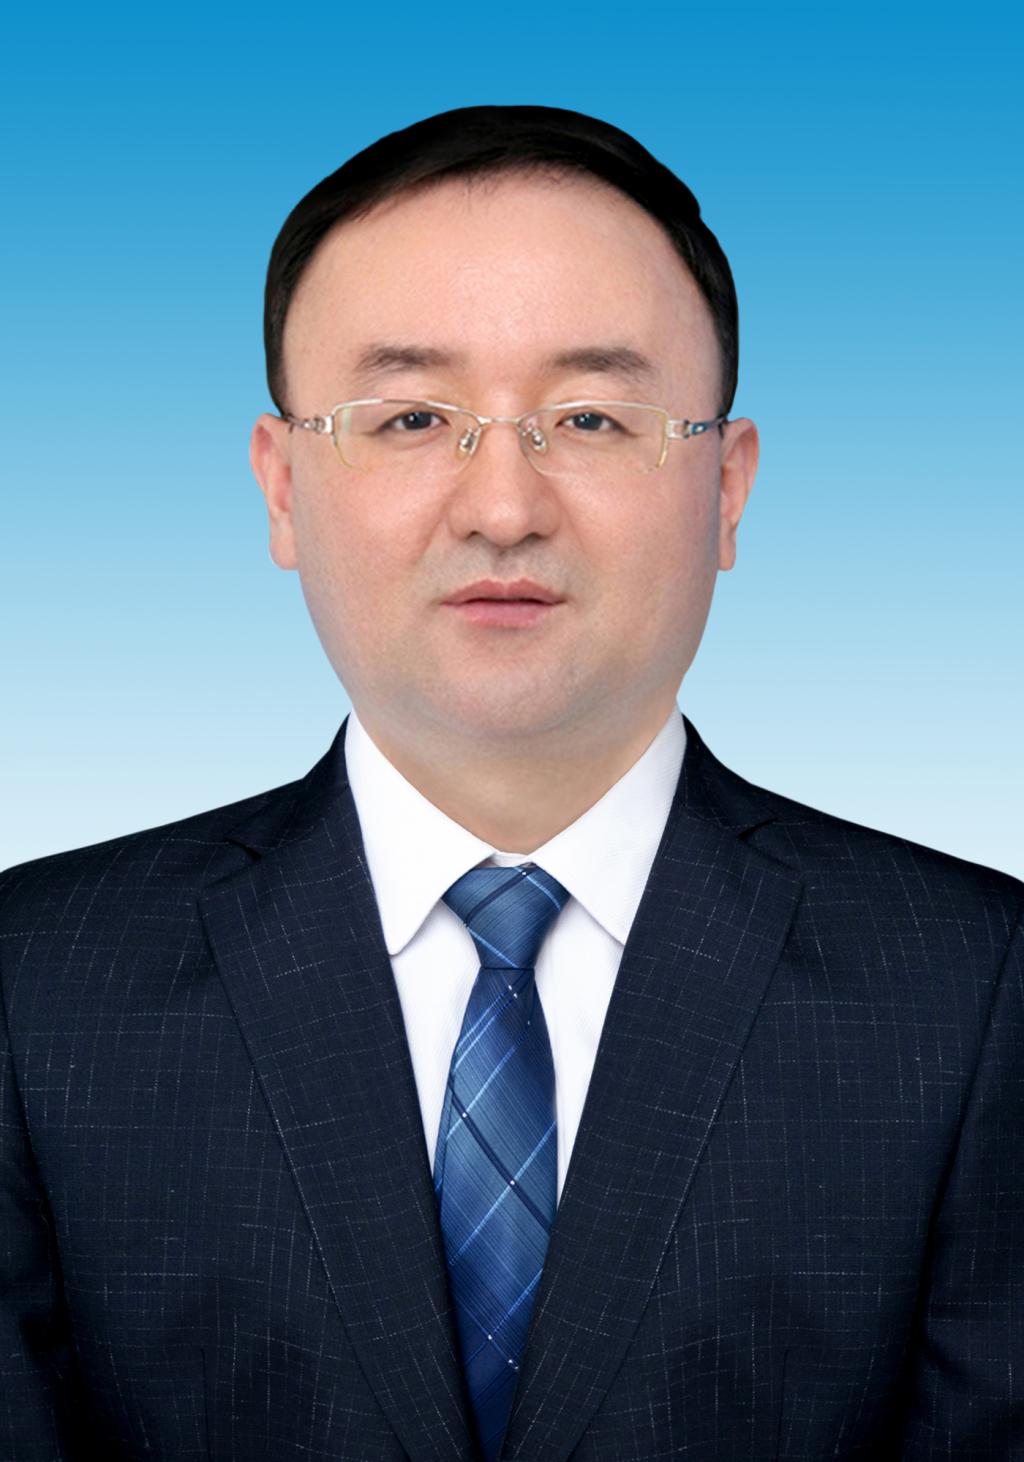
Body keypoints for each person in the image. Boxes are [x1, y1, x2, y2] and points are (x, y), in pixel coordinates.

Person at [1, 104, 1020, 1462]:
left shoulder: (971, 986)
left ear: (727, 487)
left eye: (591, 416)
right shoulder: (38, 984)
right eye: (412, 416)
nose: (501, 508)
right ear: (282, 487)